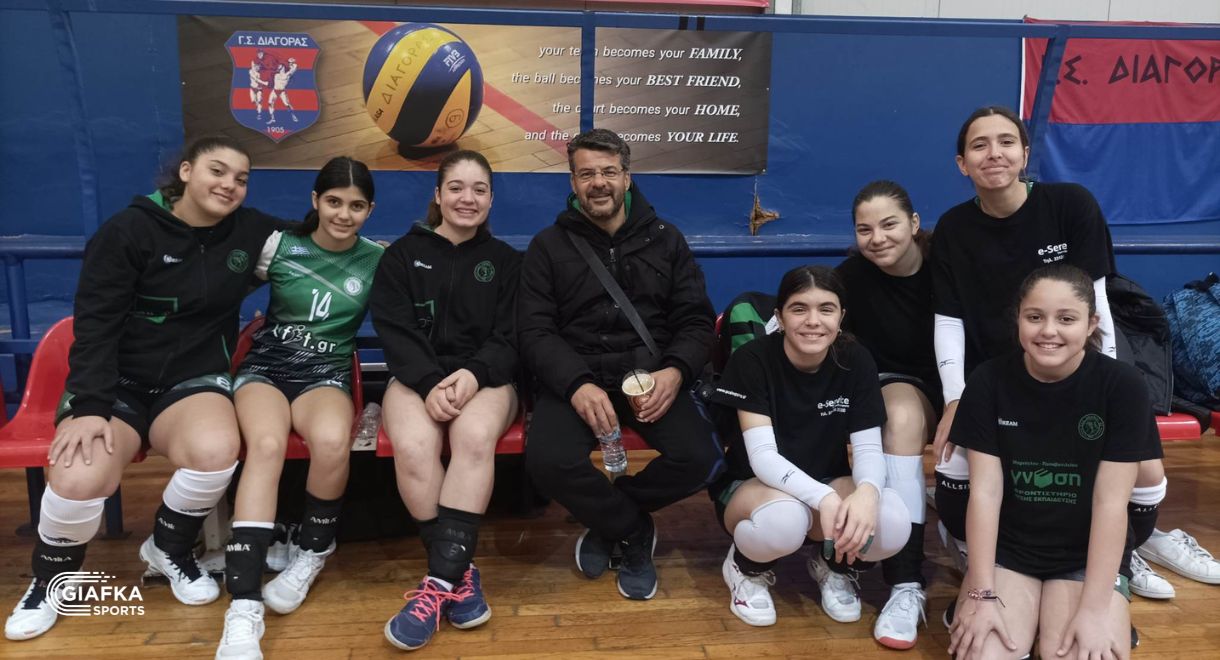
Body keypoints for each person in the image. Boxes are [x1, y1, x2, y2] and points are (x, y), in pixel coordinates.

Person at [5, 136, 289, 642]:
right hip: (116, 384)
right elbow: (95, 325)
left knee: (216, 450)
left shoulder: (250, 231)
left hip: (190, 380)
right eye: (217, 171)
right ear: (186, 171)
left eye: (241, 179)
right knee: (79, 474)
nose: (229, 185)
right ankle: (50, 582)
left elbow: (319, 235)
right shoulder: (128, 232)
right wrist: (90, 406)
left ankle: (168, 548)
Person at [928, 105, 1216, 602]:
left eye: (1006, 142)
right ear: (962, 163)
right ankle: (1003, 548)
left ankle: (1130, 546)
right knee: (960, 467)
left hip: (1077, 370)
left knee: (1138, 469)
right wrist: (956, 398)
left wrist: (1106, 387)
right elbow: (948, 319)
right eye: (979, 145)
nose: (994, 153)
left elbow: (1095, 303)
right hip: (1000, 381)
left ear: (1024, 154)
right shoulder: (954, 228)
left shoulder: (1070, 205)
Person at [519, 128, 724, 603]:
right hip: (577, 379)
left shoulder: (667, 240)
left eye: (609, 172)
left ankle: (610, 516)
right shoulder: (547, 246)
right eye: (586, 173)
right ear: (573, 182)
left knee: (705, 459)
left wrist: (675, 372)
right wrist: (576, 384)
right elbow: (534, 331)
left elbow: (696, 321)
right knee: (546, 463)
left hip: (652, 378)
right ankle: (631, 529)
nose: (598, 183)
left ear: (627, 178)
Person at [947, 264, 1160, 660]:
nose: (1048, 331)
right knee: (983, 654)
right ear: (1018, 319)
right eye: (1035, 317)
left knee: (1079, 653)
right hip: (1010, 552)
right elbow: (985, 495)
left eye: (1066, 319)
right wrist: (982, 593)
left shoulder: (1123, 386)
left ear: (1091, 323)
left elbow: (1111, 504)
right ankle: (993, 605)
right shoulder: (988, 381)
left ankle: (1100, 609)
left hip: (1085, 556)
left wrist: (1094, 611)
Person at [216, 157, 384, 659]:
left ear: (370, 210)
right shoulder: (280, 246)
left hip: (326, 374)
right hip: (266, 369)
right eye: (333, 201)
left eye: (356, 205)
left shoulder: (377, 259)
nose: (343, 214)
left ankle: (312, 551)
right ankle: (243, 604)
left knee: (332, 442)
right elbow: (214, 293)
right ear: (315, 201)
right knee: (266, 445)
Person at [373, 150, 521, 652]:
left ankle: (435, 585)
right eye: (456, 187)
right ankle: (460, 573)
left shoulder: (507, 263)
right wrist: (430, 382)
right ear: (438, 195)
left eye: (479, 189)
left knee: (473, 435)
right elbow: (395, 332)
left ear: (491, 199)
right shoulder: (400, 257)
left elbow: (511, 336)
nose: (467, 198)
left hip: (488, 380)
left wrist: (474, 374)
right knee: (413, 445)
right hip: (417, 379)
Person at [707, 265, 912, 629]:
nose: (813, 321)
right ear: (780, 317)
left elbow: (868, 450)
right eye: (799, 309)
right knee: (785, 520)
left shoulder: (855, 359)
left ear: (841, 316)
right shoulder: (753, 358)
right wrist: (825, 498)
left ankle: (833, 564)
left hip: (826, 481)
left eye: (826, 309)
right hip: (754, 489)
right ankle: (745, 567)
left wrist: (867, 492)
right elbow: (763, 459)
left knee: (892, 520)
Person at [835, 181, 939, 649]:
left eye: (889, 224)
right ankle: (901, 579)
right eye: (865, 229)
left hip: (949, 387)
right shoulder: (850, 278)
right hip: (880, 388)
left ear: (914, 224)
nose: (877, 238)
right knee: (896, 416)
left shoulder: (947, 268)